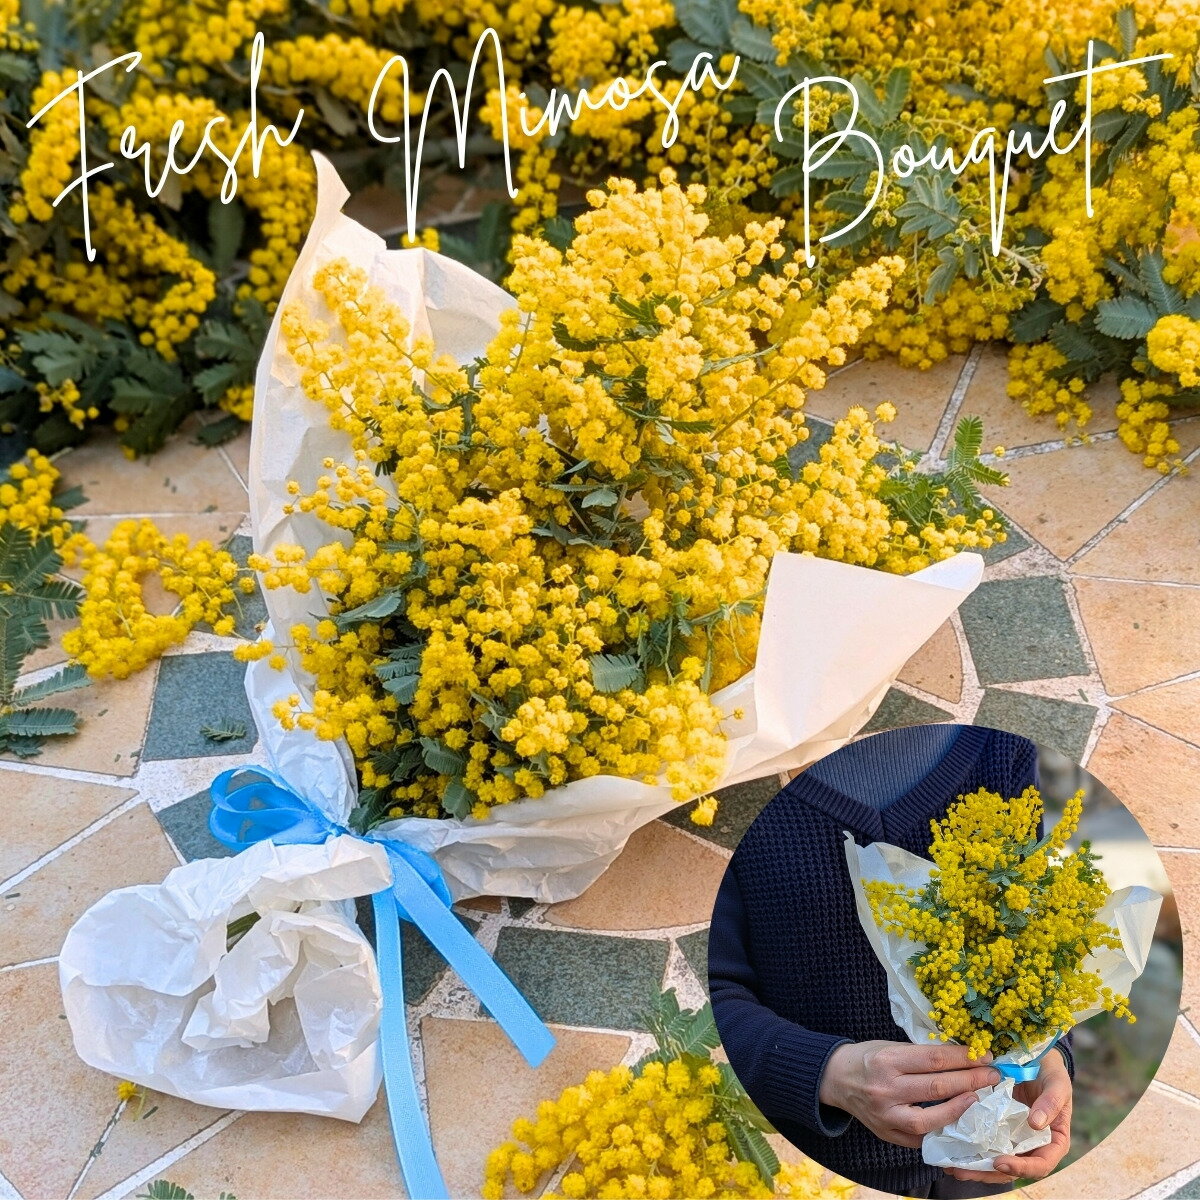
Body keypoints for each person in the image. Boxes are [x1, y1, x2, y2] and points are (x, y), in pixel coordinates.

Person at [708, 725, 1074, 1199]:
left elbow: (1032, 942)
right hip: (812, 1168)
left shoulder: (1000, 748)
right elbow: (707, 993)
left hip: (983, 1154)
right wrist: (826, 1073)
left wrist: (1048, 1055)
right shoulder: (727, 782)